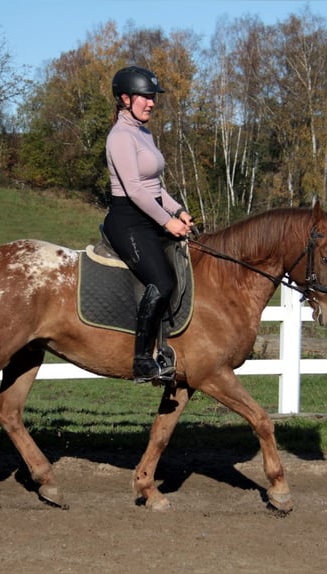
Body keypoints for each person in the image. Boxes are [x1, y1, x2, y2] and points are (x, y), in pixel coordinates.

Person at [102, 66, 194, 383]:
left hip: (149, 213)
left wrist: (178, 210)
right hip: (128, 220)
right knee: (163, 281)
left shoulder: (143, 132)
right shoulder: (120, 137)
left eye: (153, 97)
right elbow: (135, 190)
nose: (152, 103)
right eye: (145, 97)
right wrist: (167, 222)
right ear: (126, 99)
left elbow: (154, 185)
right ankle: (142, 359)